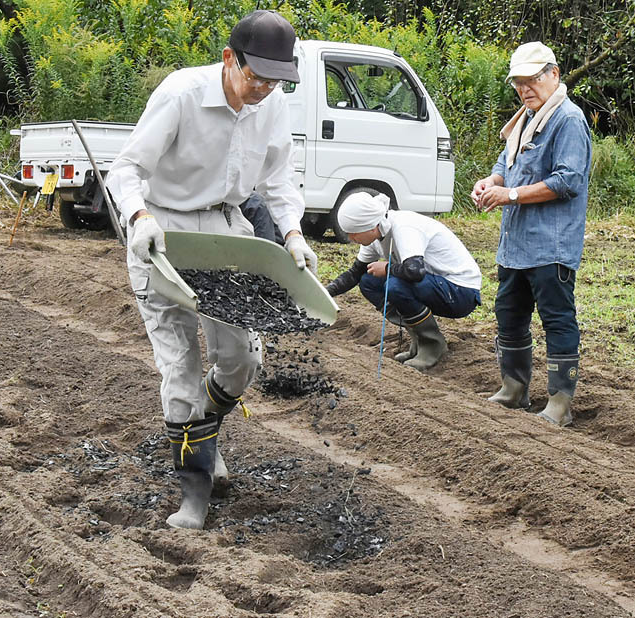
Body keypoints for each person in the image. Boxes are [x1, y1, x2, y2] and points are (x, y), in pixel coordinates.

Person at [106, 10, 318, 529]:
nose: (265, 88)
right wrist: (140, 216)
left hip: (226, 232)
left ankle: (204, 427)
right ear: (229, 59)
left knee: (243, 357)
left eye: (275, 80)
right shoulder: (182, 94)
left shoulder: (272, 105)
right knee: (181, 369)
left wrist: (292, 233)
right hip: (164, 233)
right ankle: (194, 493)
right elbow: (125, 170)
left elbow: (279, 179)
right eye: (256, 76)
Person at [471, 41, 591, 427]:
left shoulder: (568, 120)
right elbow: (504, 166)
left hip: (551, 245)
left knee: (557, 320)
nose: (525, 88)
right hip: (516, 245)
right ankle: (514, 388)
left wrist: (511, 195)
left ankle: (559, 403)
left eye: (532, 79)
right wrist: (490, 183)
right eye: (518, 82)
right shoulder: (524, 119)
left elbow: (567, 180)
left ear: (554, 75)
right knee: (509, 315)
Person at [325, 191, 482, 370]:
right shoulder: (376, 236)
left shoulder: (404, 227)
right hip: (436, 285)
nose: (351, 238)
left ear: (371, 226)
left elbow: (415, 271)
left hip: (460, 292)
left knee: (396, 286)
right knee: (368, 281)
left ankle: (432, 344)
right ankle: (417, 337)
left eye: (353, 233)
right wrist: (324, 292)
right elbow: (355, 274)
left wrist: (386, 268)